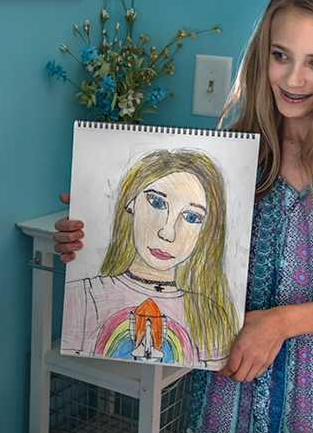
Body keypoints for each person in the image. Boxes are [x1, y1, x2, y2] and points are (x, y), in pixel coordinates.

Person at [54, 0, 313, 433]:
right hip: (229, 398)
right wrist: (100, 233)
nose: (292, 79)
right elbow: (186, 257)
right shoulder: (235, 154)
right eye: (280, 56)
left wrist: (279, 324)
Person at [61, 149, 239, 368]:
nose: (167, 233)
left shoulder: (210, 315)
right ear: (131, 203)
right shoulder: (84, 298)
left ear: (207, 231)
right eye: (157, 203)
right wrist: (82, 214)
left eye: (192, 217)